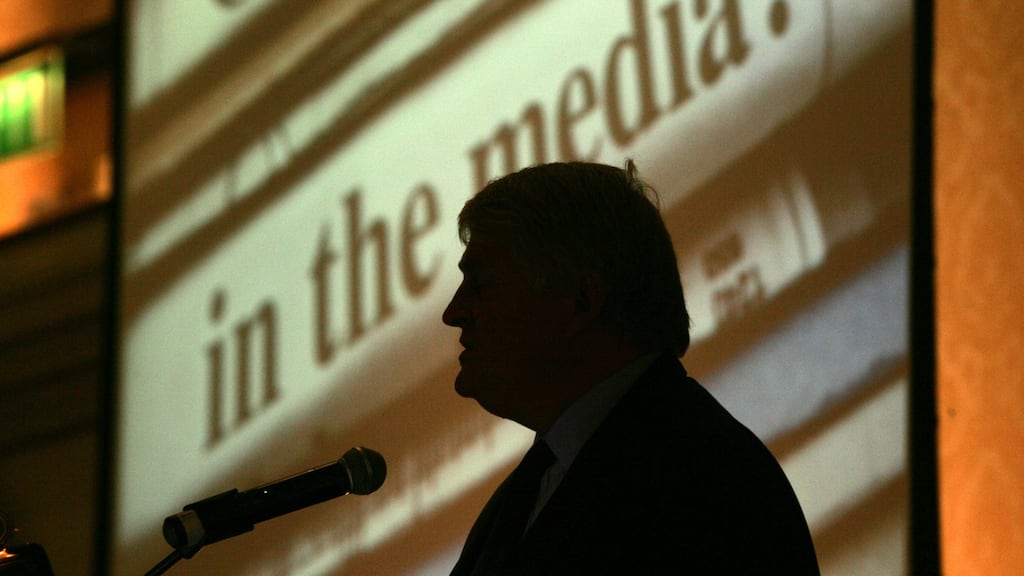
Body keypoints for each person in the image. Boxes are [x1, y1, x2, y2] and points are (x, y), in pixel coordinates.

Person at [442, 161, 820, 575]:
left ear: (580, 302)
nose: (454, 312)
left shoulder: (706, 482)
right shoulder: (525, 492)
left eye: (481, 285)